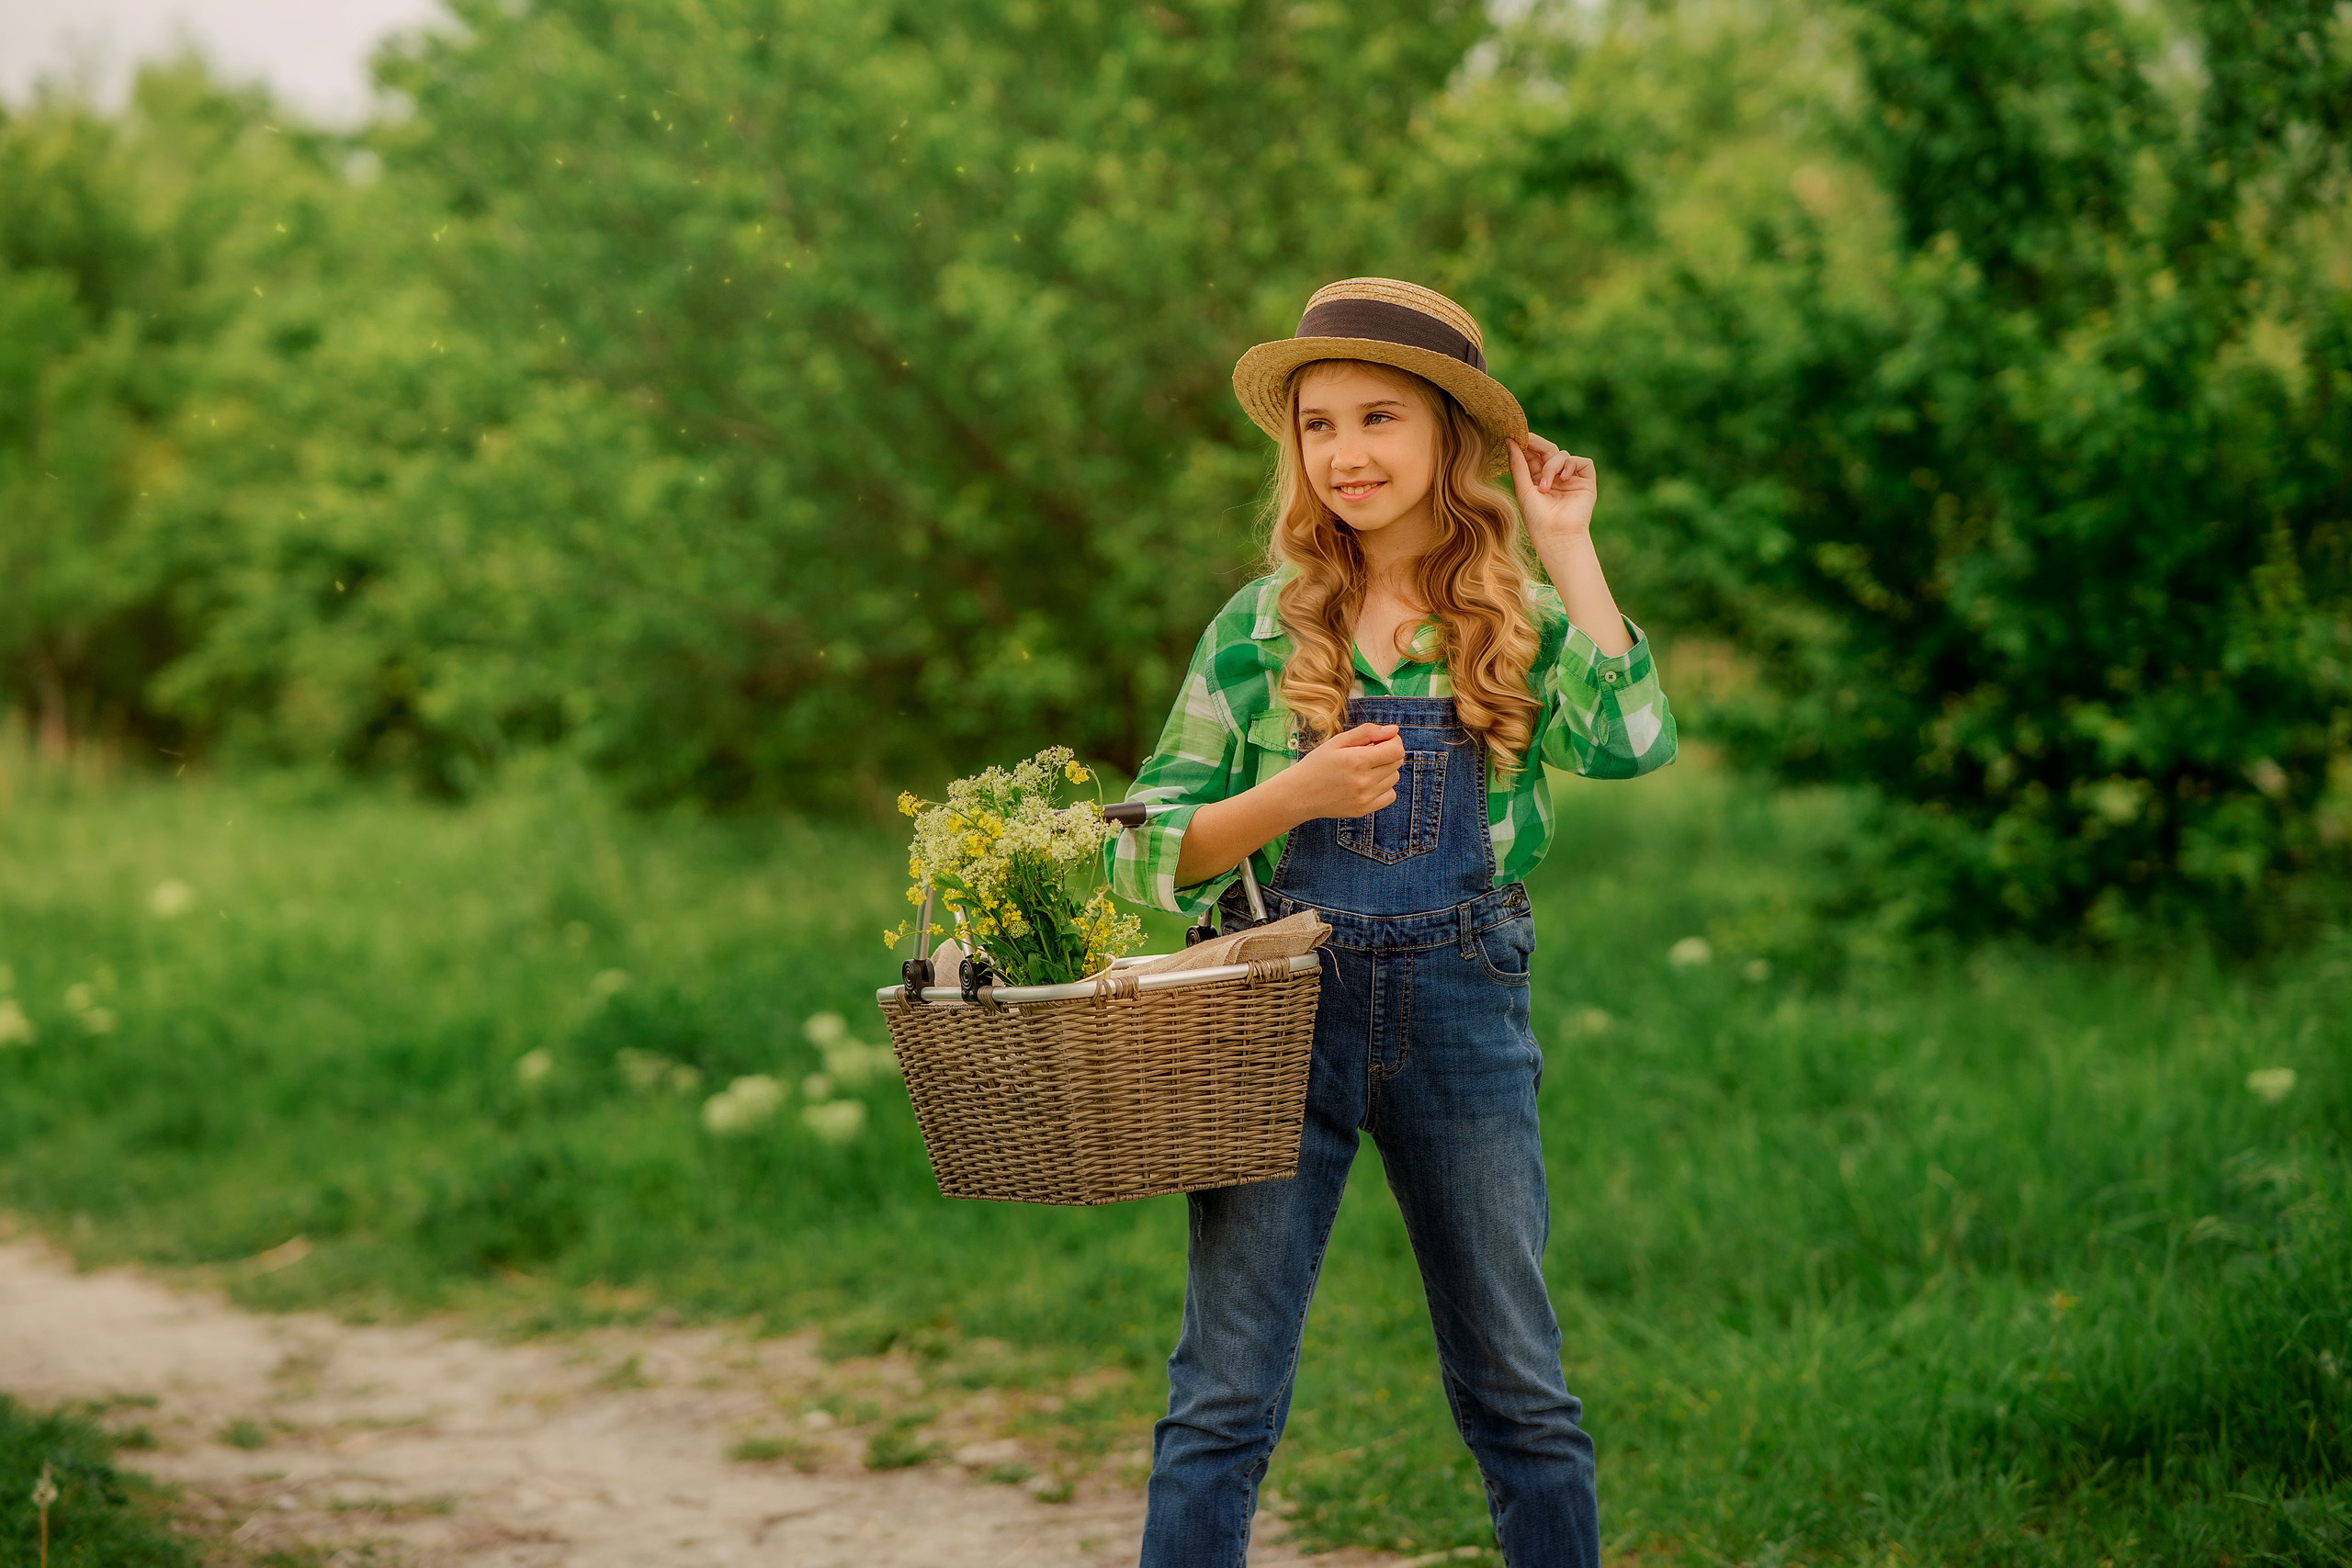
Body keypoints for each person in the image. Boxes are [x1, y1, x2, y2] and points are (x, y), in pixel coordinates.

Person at [1107, 278, 1678, 1567]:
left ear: (1447, 444)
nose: (1347, 453)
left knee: (1520, 1391)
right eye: (1318, 426)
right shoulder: (1260, 628)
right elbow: (1136, 856)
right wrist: (1289, 795)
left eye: (1379, 419)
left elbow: (1634, 741)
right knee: (1221, 1397)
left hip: (1464, 1013)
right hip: (1273, 1021)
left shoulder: (1512, 622)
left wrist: (1569, 541)